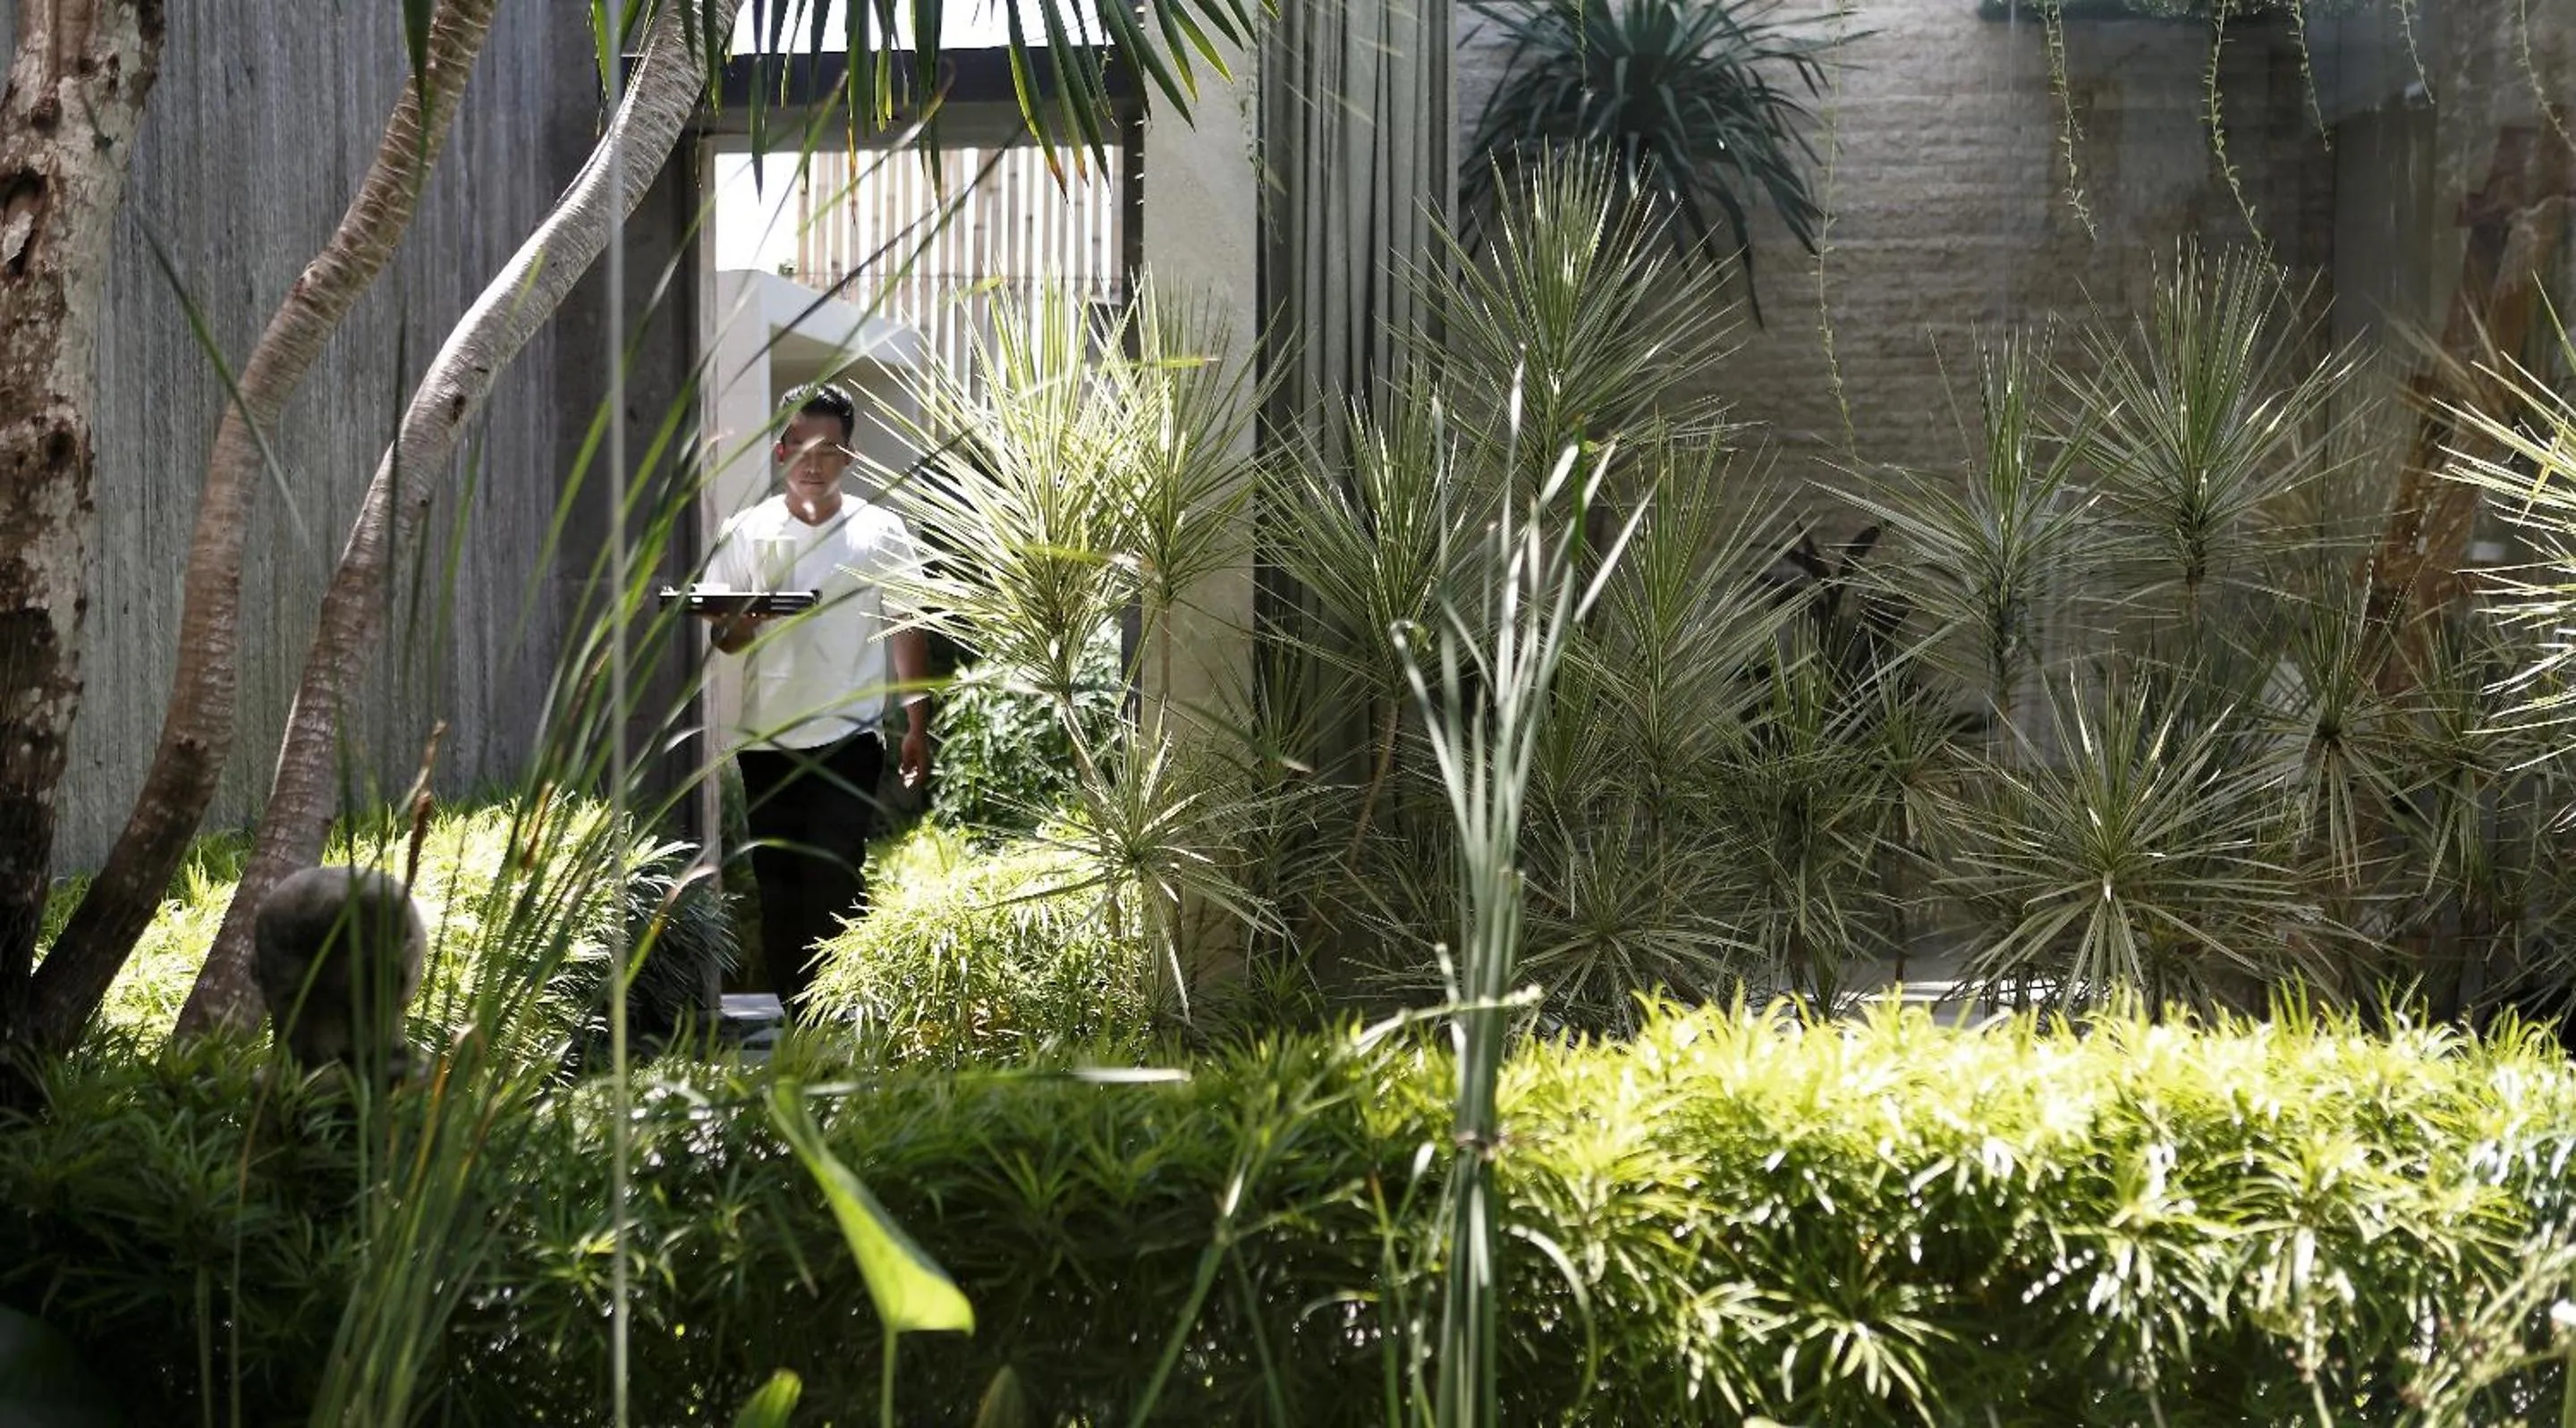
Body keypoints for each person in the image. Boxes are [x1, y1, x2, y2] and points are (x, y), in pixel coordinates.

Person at [699, 384, 930, 1019]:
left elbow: (907, 623)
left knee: (834, 879)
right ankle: (802, 1021)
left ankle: (838, 1016)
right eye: (799, 444)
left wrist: (917, 722)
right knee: (779, 890)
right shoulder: (744, 531)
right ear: (780, 451)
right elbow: (724, 637)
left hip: (850, 735)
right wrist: (748, 618)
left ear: (848, 458)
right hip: (768, 739)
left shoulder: (881, 531)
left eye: (828, 449)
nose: (812, 460)